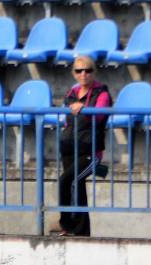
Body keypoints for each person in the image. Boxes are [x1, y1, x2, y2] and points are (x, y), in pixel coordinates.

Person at [56, 56, 112, 237]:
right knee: (76, 185)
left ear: (94, 72)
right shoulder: (71, 93)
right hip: (70, 147)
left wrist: (84, 109)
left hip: (90, 151)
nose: (83, 74)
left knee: (68, 180)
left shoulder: (101, 94)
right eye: (79, 71)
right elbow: (66, 119)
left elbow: (98, 117)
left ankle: (68, 224)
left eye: (88, 70)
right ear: (74, 73)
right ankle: (79, 230)